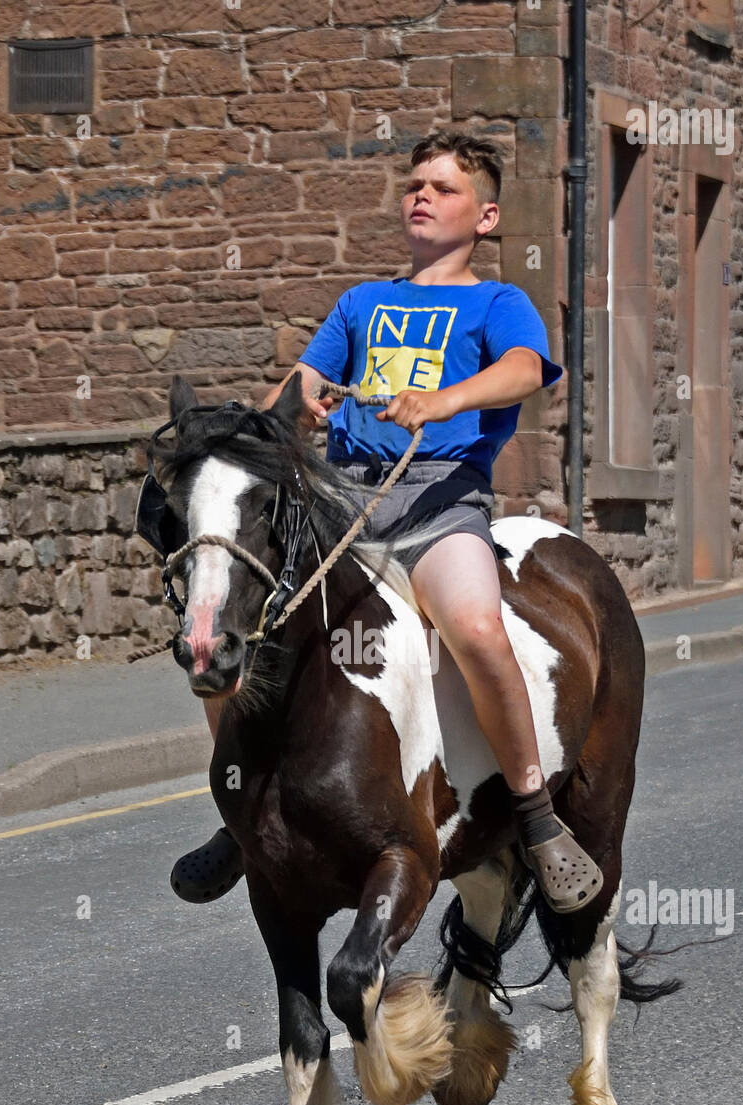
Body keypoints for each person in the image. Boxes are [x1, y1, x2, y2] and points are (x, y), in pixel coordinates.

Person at [172, 129, 603, 914]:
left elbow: (521, 371)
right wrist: (290, 408)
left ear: (486, 216)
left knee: (474, 627)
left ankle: (536, 817)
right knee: (234, 631)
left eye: (442, 187)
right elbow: (296, 386)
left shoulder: (495, 303)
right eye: (413, 184)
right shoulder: (362, 303)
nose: (420, 196)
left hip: (438, 500)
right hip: (344, 500)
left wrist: (440, 401)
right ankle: (238, 816)